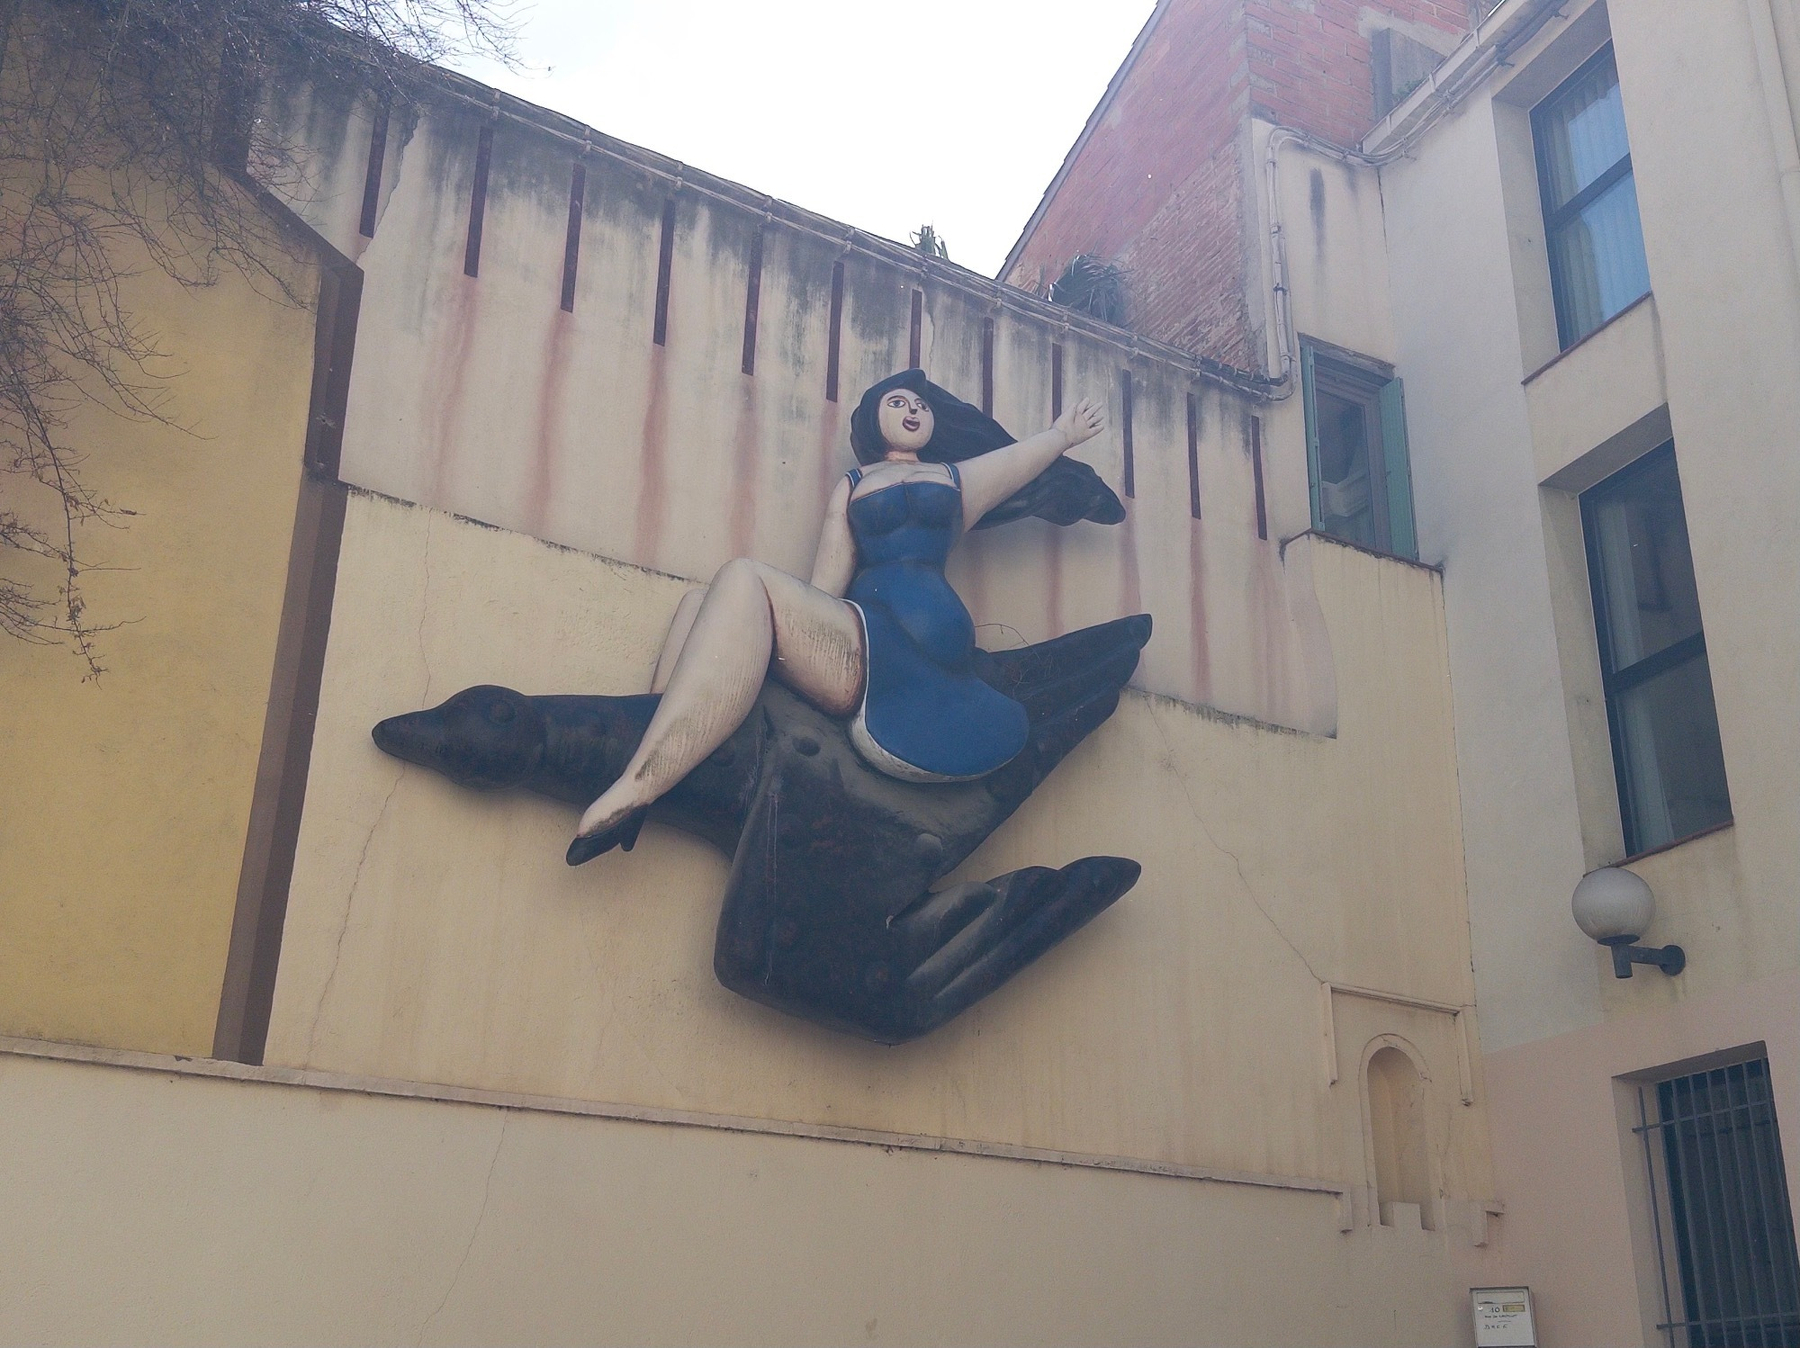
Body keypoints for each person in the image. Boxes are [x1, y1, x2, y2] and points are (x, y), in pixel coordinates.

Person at [569, 368, 1107, 861]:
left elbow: (1017, 463)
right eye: (897, 402)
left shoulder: (953, 479)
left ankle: (639, 786)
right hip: (860, 633)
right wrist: (779, 626)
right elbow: (826, 584)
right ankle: (646, 766)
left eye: (921, 405)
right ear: (874, 418)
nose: (913, 411)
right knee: (704, 601)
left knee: (743, 578)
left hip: (923, 659)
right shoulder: (851, 487)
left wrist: (1062, 434)